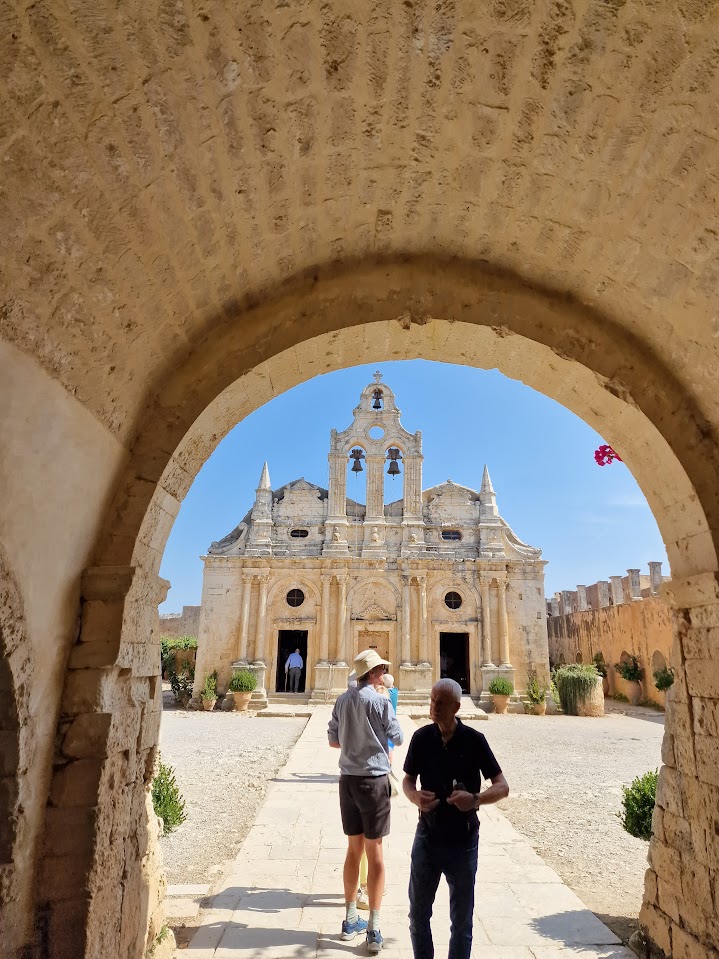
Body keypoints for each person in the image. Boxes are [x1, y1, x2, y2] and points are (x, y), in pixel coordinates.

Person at [403, 679, 509, 959]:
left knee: (461, 922)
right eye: (432, 700)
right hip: (427, 836)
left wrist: (475, 800)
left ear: (456, 707)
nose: (434, 707)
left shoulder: (474, 741)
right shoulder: (421, 738)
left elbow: (502, 786)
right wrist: (415, 798)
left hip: (463, 841)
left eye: (441, 702)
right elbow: (407, 782)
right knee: (417, 915)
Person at [328, 649, 404, 954]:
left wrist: (354, 739)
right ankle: (373, 928)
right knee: (375, 854)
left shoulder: (342, 700)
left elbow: (333, 741)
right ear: (374, 673)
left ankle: (349, 920)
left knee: (353, 849)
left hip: (347, 781)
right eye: (381, 669)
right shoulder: (381, 700)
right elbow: (396, 738)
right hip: (373, 781)